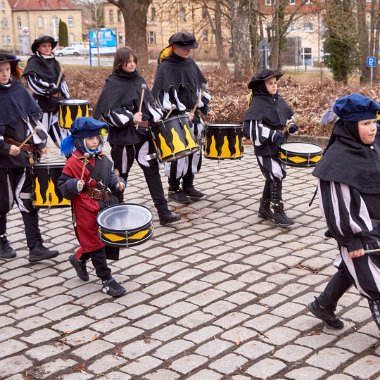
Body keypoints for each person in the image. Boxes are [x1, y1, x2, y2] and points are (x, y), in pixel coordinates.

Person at [308, 93, 380, 330]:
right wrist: (352, 241)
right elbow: (337, 208)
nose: (373, 128)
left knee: (352, 269)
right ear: (350, 126)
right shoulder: (337, 161)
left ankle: (323, 305)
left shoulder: (372, 144)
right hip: (359, 232)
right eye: (366, 123)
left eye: (374, 122)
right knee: (374, 281)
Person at [94, 46, 180, 226]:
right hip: (123, 138)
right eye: (128, 62)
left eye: (133, 61)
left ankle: (163, 212)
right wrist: (130, 117)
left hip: (142, 136)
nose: (132, 65)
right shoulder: (113, 83)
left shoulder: (138, 80)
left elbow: (149, 105)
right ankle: (115, 213)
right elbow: (107, 111)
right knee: (119, 176)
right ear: (120, 64)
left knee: (153, 172)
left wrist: (161, 114)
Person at [57, 117, 127, 297]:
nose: (95, 141)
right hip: (85, 208)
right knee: (95, 242)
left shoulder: (102, 157)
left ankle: (78, 258)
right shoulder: (74, 161)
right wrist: (74, 185)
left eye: (96, 137)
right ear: (81, 141)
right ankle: (107, 280)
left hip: (105, 204)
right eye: (90, 138)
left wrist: (118, 183)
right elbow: (62, 184)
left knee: (104, 238)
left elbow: (110, 176)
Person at [0, 53, 59, 262]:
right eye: (0, 70)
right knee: (2, 203)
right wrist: (5, 148)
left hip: (25, 158)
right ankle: (1, 239)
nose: (5, 74)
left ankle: (35, 247)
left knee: (28, 201)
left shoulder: (18, 90)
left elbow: (33, 120)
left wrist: (41, 143)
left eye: (7, 69)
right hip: (3, 162)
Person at [151, 31, 215, 204]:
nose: (188, 51)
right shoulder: (165, 67)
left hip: (192, 117)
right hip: (175, 119)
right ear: (174, 47)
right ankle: (174, 188)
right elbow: (162, 99)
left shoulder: (190, 63)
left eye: (189, 48)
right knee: (178, 154)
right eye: (184, 48)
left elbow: (197, 91)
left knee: (194, 153)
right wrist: (181, 113)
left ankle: (188, 184)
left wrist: (205, 109)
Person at [243, 68, 298, 226]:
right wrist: (272, 134)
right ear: (261, 85)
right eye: (270, 84)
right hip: (264, 148)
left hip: (277, 146)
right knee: (276, 173)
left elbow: (285, 116)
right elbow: (252, 128)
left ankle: (264, 208)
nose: (274, 86)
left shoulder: (277, 99)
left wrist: (290, 125)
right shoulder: (258, 103)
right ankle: (278, 210)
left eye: (275, 83)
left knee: (273, 175)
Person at [23, 35, 69, 147]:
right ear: (38, 48)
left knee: (63, 135)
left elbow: (62, 81)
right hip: (41, 106)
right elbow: (33, 81)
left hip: (57, 105)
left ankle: (71, 158)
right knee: (39, 136)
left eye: (49, 46)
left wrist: (65, 97)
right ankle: (33, 160)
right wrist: (49, 89)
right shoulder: (33, 62)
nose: (47, 48)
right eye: (44, 46)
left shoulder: (54, 62)